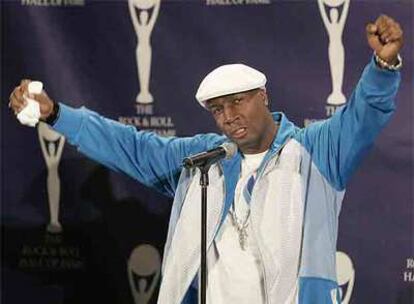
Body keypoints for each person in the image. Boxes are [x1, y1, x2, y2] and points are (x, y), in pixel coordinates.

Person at [9, 14, 403, 304]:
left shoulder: (317, 152)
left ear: (263, 96)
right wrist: (57, 114)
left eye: (238, 101)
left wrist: (382, 68)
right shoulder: (204, 159)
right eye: (217, 109)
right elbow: (130, 146)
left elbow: (362, 117)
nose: (229, 115)